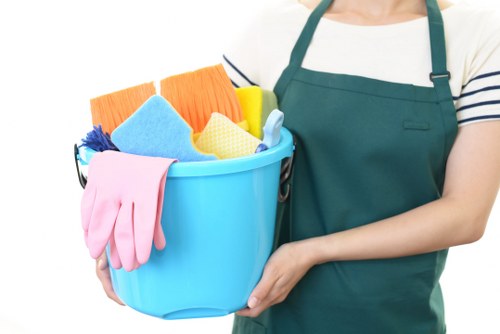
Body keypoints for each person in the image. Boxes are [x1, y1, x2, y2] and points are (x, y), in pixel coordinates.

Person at [96, 0, 500, 332]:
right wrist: (129, 232)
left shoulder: (473, 36)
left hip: (398, 320)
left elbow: (465, 213)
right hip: (271, 317)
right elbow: (202, 161)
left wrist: (311, 253)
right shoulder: (275, 29)